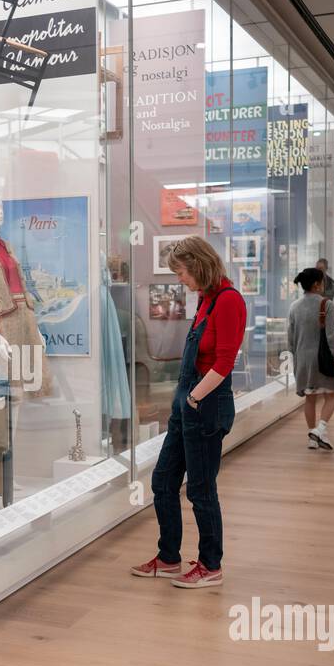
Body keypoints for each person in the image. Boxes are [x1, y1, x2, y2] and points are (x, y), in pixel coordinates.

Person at [132, 237, 245, 589]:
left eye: (180, 271)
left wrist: (193, 398)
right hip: (188, 405)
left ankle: (211, 565)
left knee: (200, 490)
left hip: (206, 405)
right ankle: (168, 558)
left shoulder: (229, 301)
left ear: (198, 264)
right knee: (163, 481)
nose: (179, 278)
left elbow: (225, 361)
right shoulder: (207, 298)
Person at [287, 267, 334, 450]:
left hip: (302, 360)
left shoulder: (294, 306)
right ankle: (320, 429)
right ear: (316, 284)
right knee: (332, 394)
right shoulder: (325, 304)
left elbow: (290, 339)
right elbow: (332, 336)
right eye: (322, 281)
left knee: (310, 398)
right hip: (323, 360)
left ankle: (313, 438)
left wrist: (296, 360)